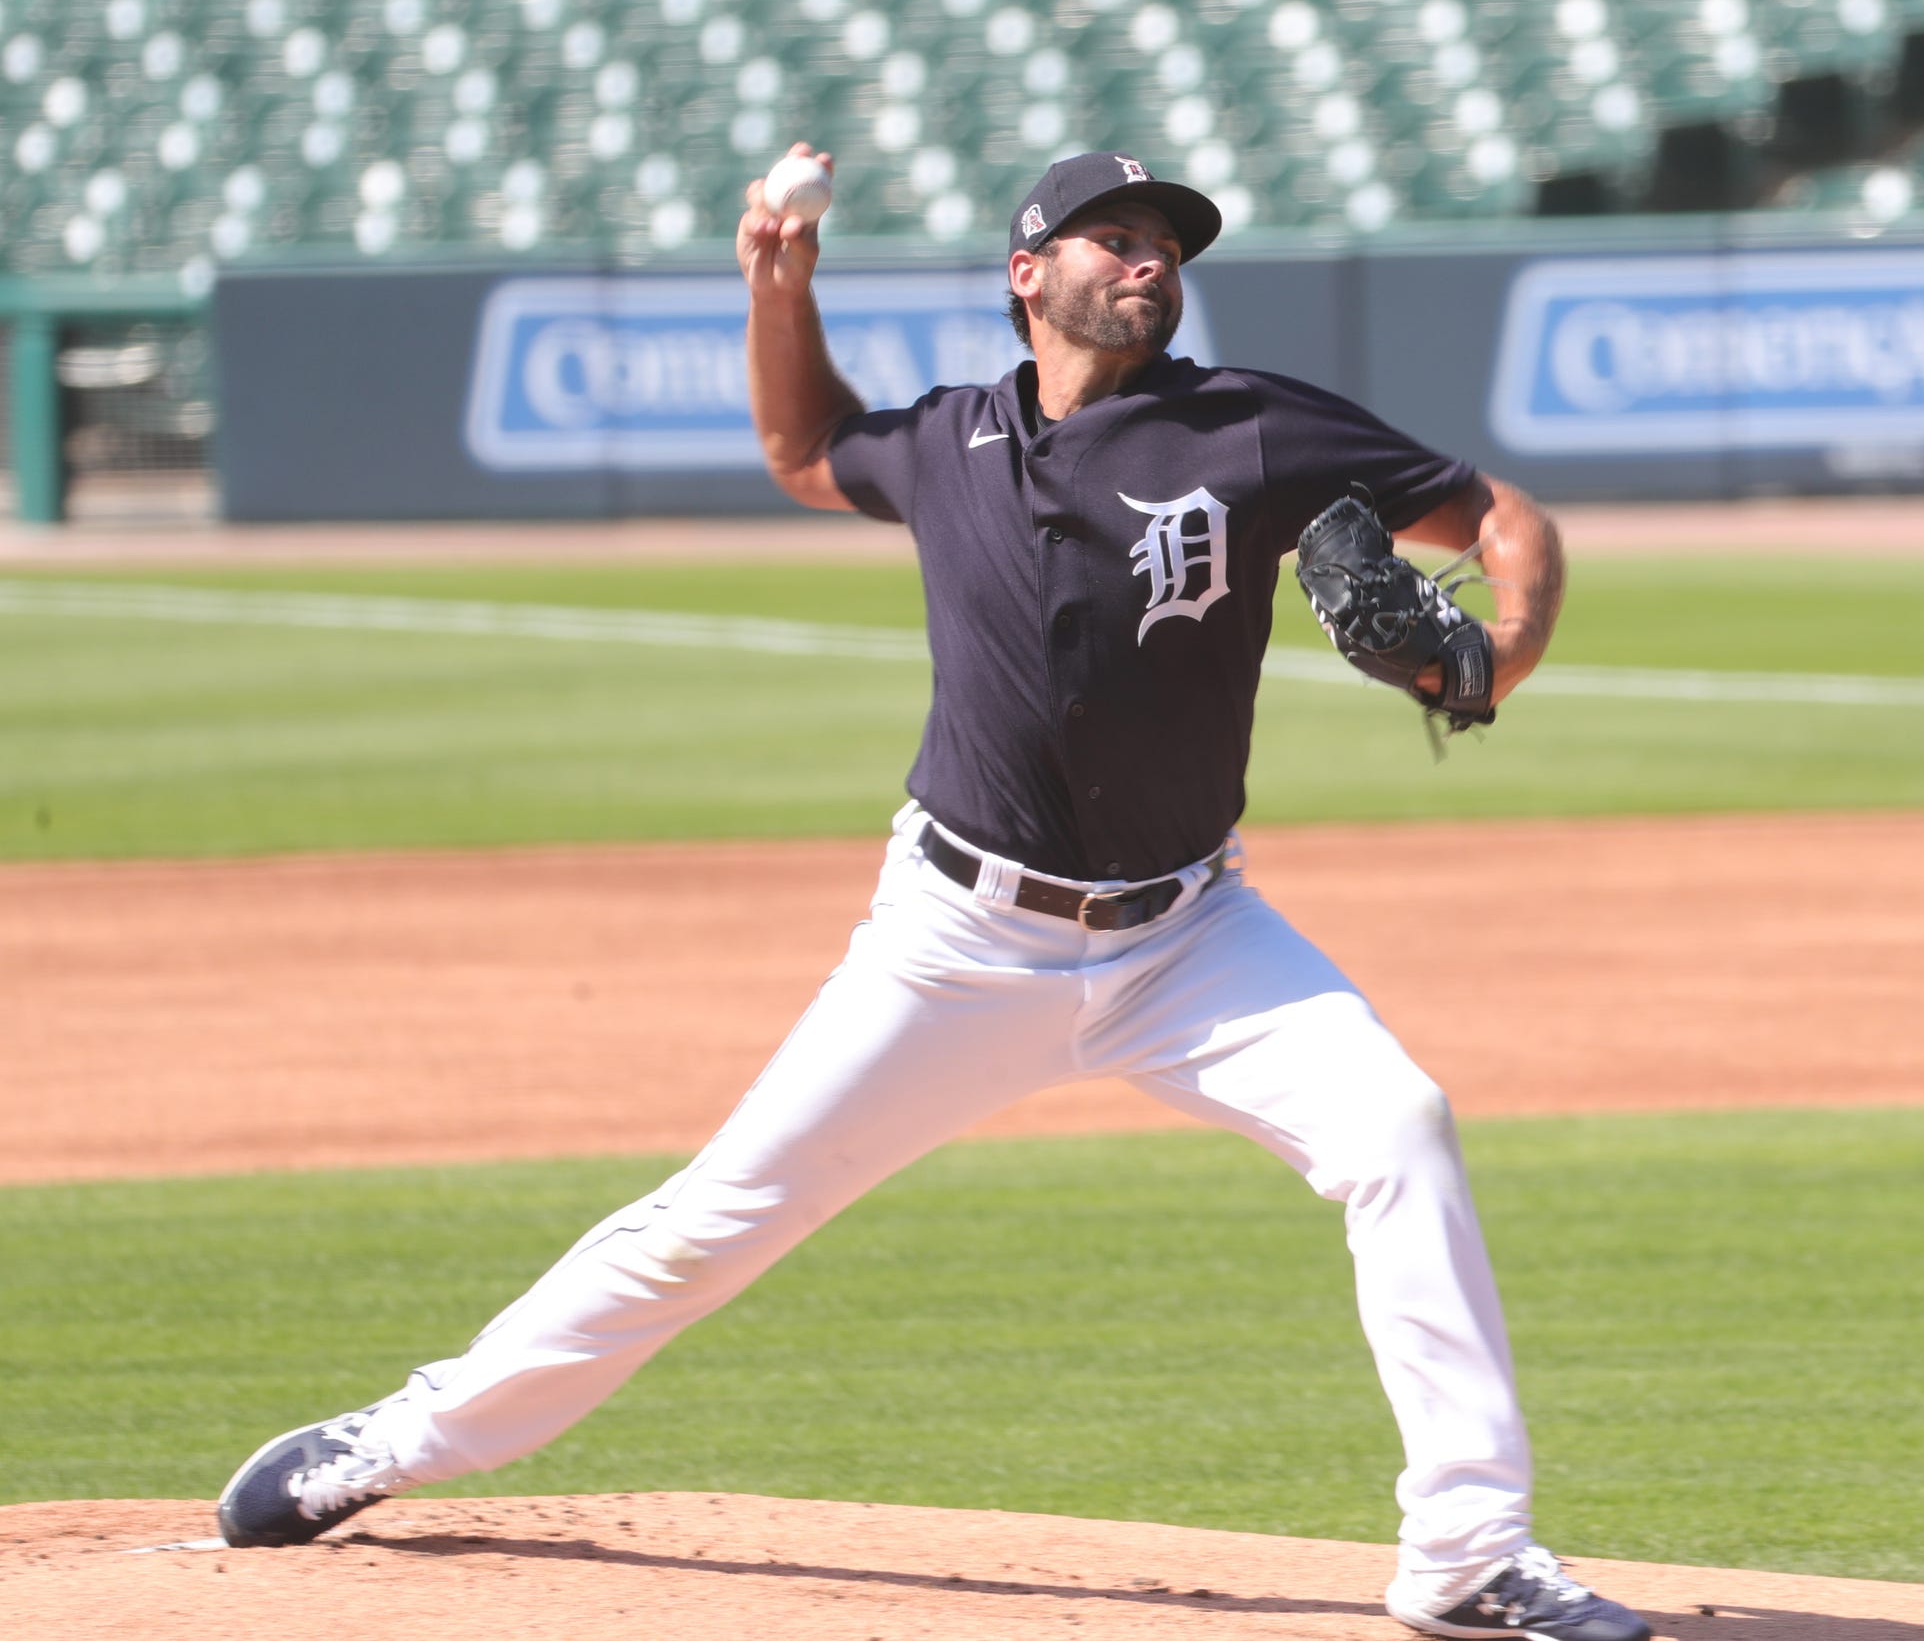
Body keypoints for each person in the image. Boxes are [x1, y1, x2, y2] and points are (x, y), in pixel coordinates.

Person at [216, 148, 1649, 1641]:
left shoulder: (1254, 427)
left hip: (1193, 936)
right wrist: (781, 284)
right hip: (957, 942)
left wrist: (1500, 652)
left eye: (1167, 242)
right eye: (1115, 236)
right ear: (1028, 273)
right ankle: (405, 1437)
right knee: (708, 1222)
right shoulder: (952, 438)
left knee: (1398, 1124)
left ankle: (1469, 1552)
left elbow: (1500, 520)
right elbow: (802, 445)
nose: (1150, 260)